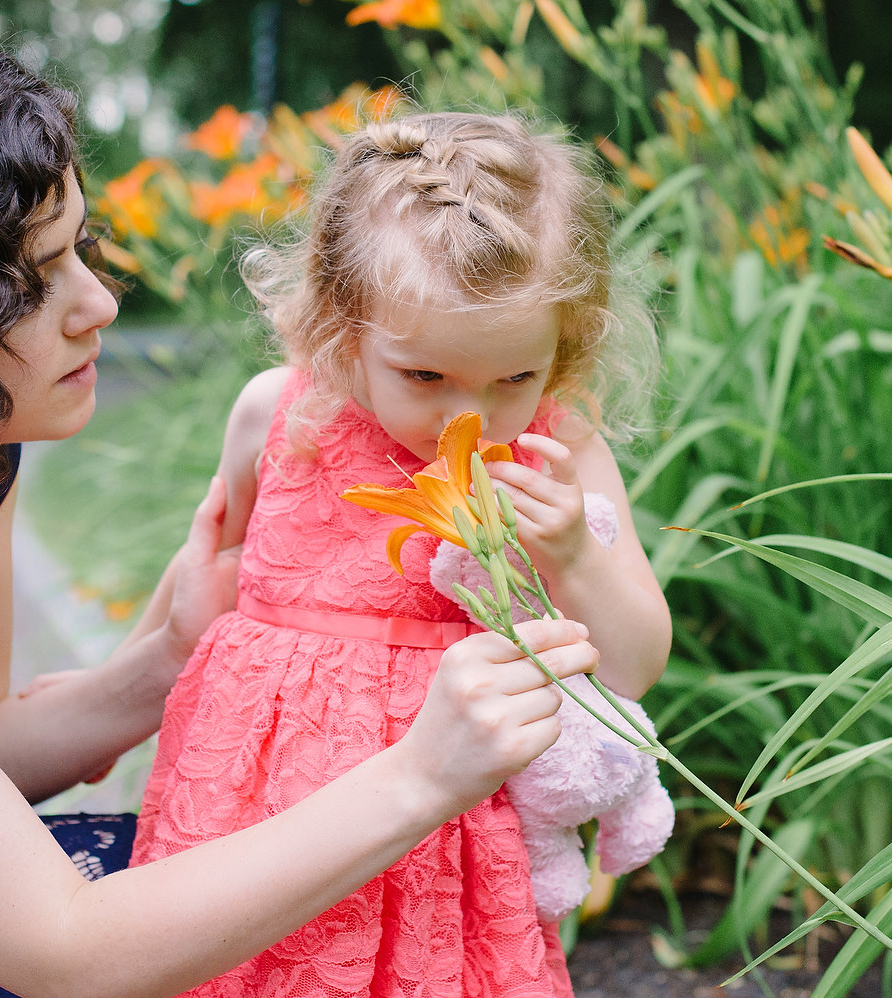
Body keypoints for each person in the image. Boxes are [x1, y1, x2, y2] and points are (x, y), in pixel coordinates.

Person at [0, 30, 602, 997]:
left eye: (81, 245)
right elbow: (69, 955)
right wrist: (422, 777)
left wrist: (164, 657)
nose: (99, 304)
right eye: (35, 280)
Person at [128, 111, 673, 998]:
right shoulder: (279, 412)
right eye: (425, 377)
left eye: (514, 379)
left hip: (449, 828)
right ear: (343, 327)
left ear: (564, 348)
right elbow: (216, 572)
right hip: (258, 799)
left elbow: (637, 664)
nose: (471, 417)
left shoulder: (556, 446)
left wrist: (573, 550)